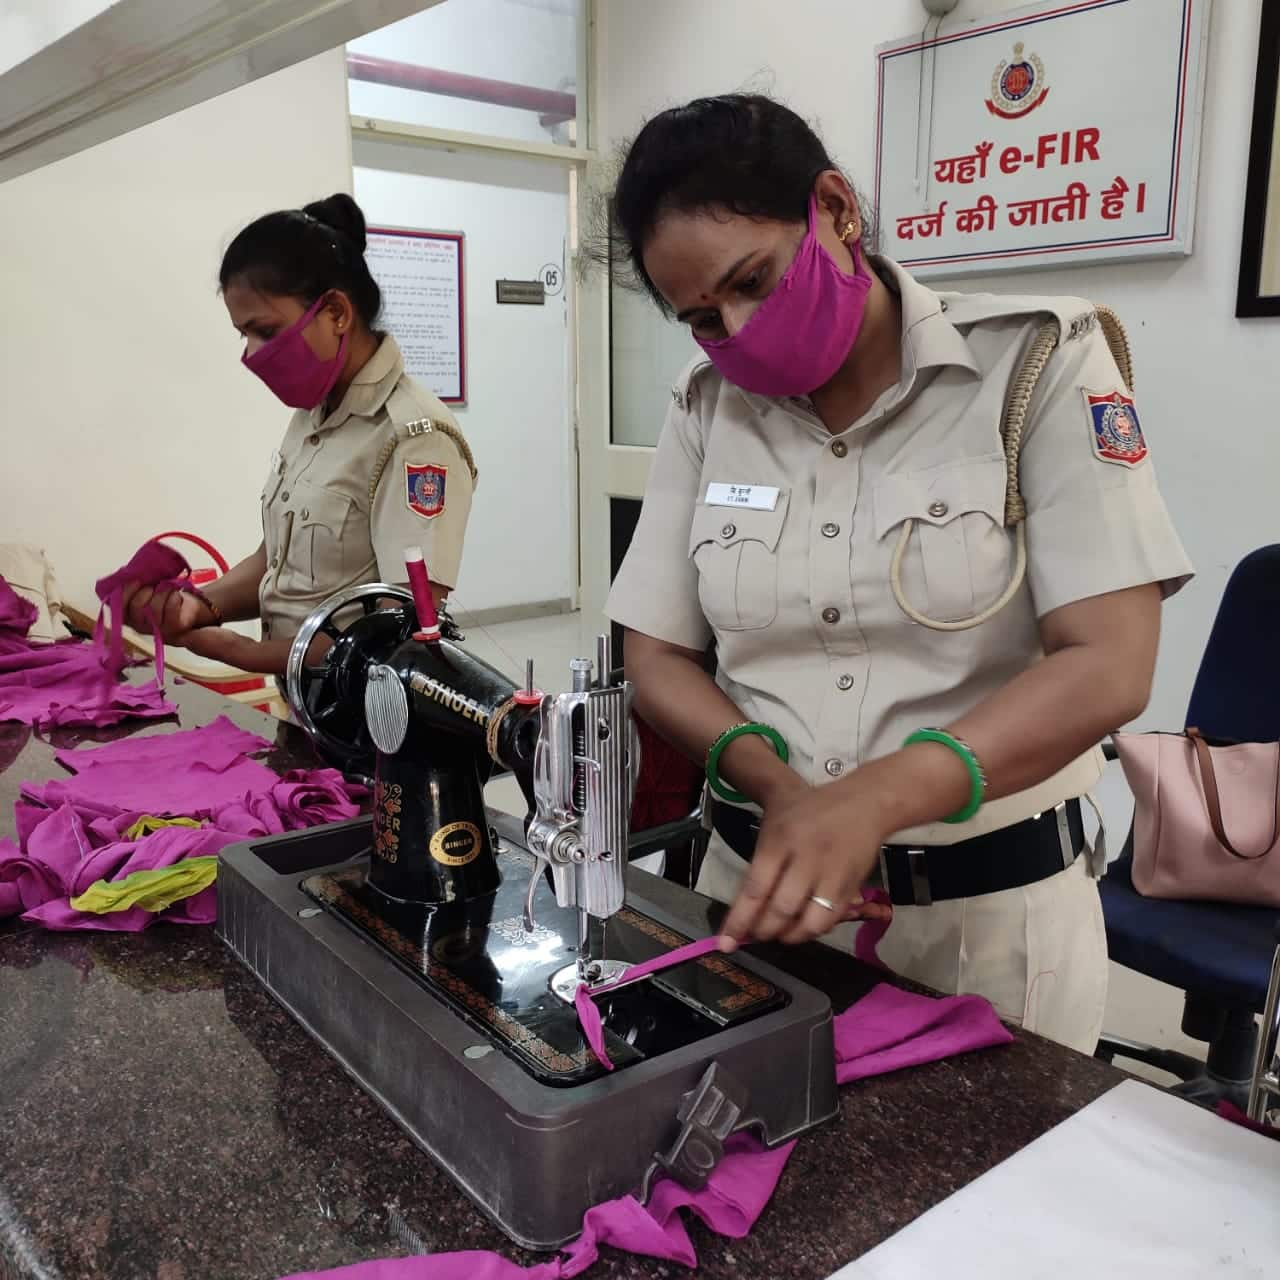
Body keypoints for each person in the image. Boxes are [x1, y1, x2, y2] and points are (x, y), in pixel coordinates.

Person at [603, 95, 1193, 1052]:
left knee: (988, 1199)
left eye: (753, 279)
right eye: (702, 317)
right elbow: (658, 653)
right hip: (758, 900)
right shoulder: (709, 409)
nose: (739, 330)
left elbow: (1109, 662)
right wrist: (780, 786)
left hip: (984, 926)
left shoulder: (1038, 362)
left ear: (836, 209)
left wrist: (879, 796)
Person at [117, 193, 476, 675]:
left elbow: (405, 631)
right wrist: (196, 606)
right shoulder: (314, 412)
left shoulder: (414, 437)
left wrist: (240, 653)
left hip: (368, 729)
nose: (251, 353)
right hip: (305, 709)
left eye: (264, 330)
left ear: (337, 313)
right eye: (242, 333)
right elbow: (276, 563)